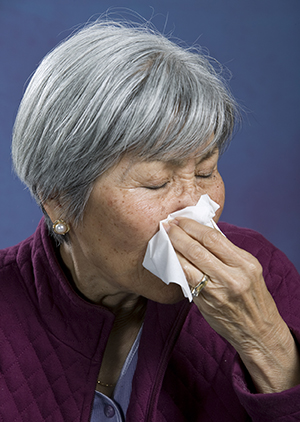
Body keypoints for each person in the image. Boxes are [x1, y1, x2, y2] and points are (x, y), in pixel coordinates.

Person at [1, 19, 299, 422]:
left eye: (207, 172)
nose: (196, 207)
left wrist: (267, 343)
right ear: (57, 201)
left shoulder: (265, 274)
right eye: (156, 183)